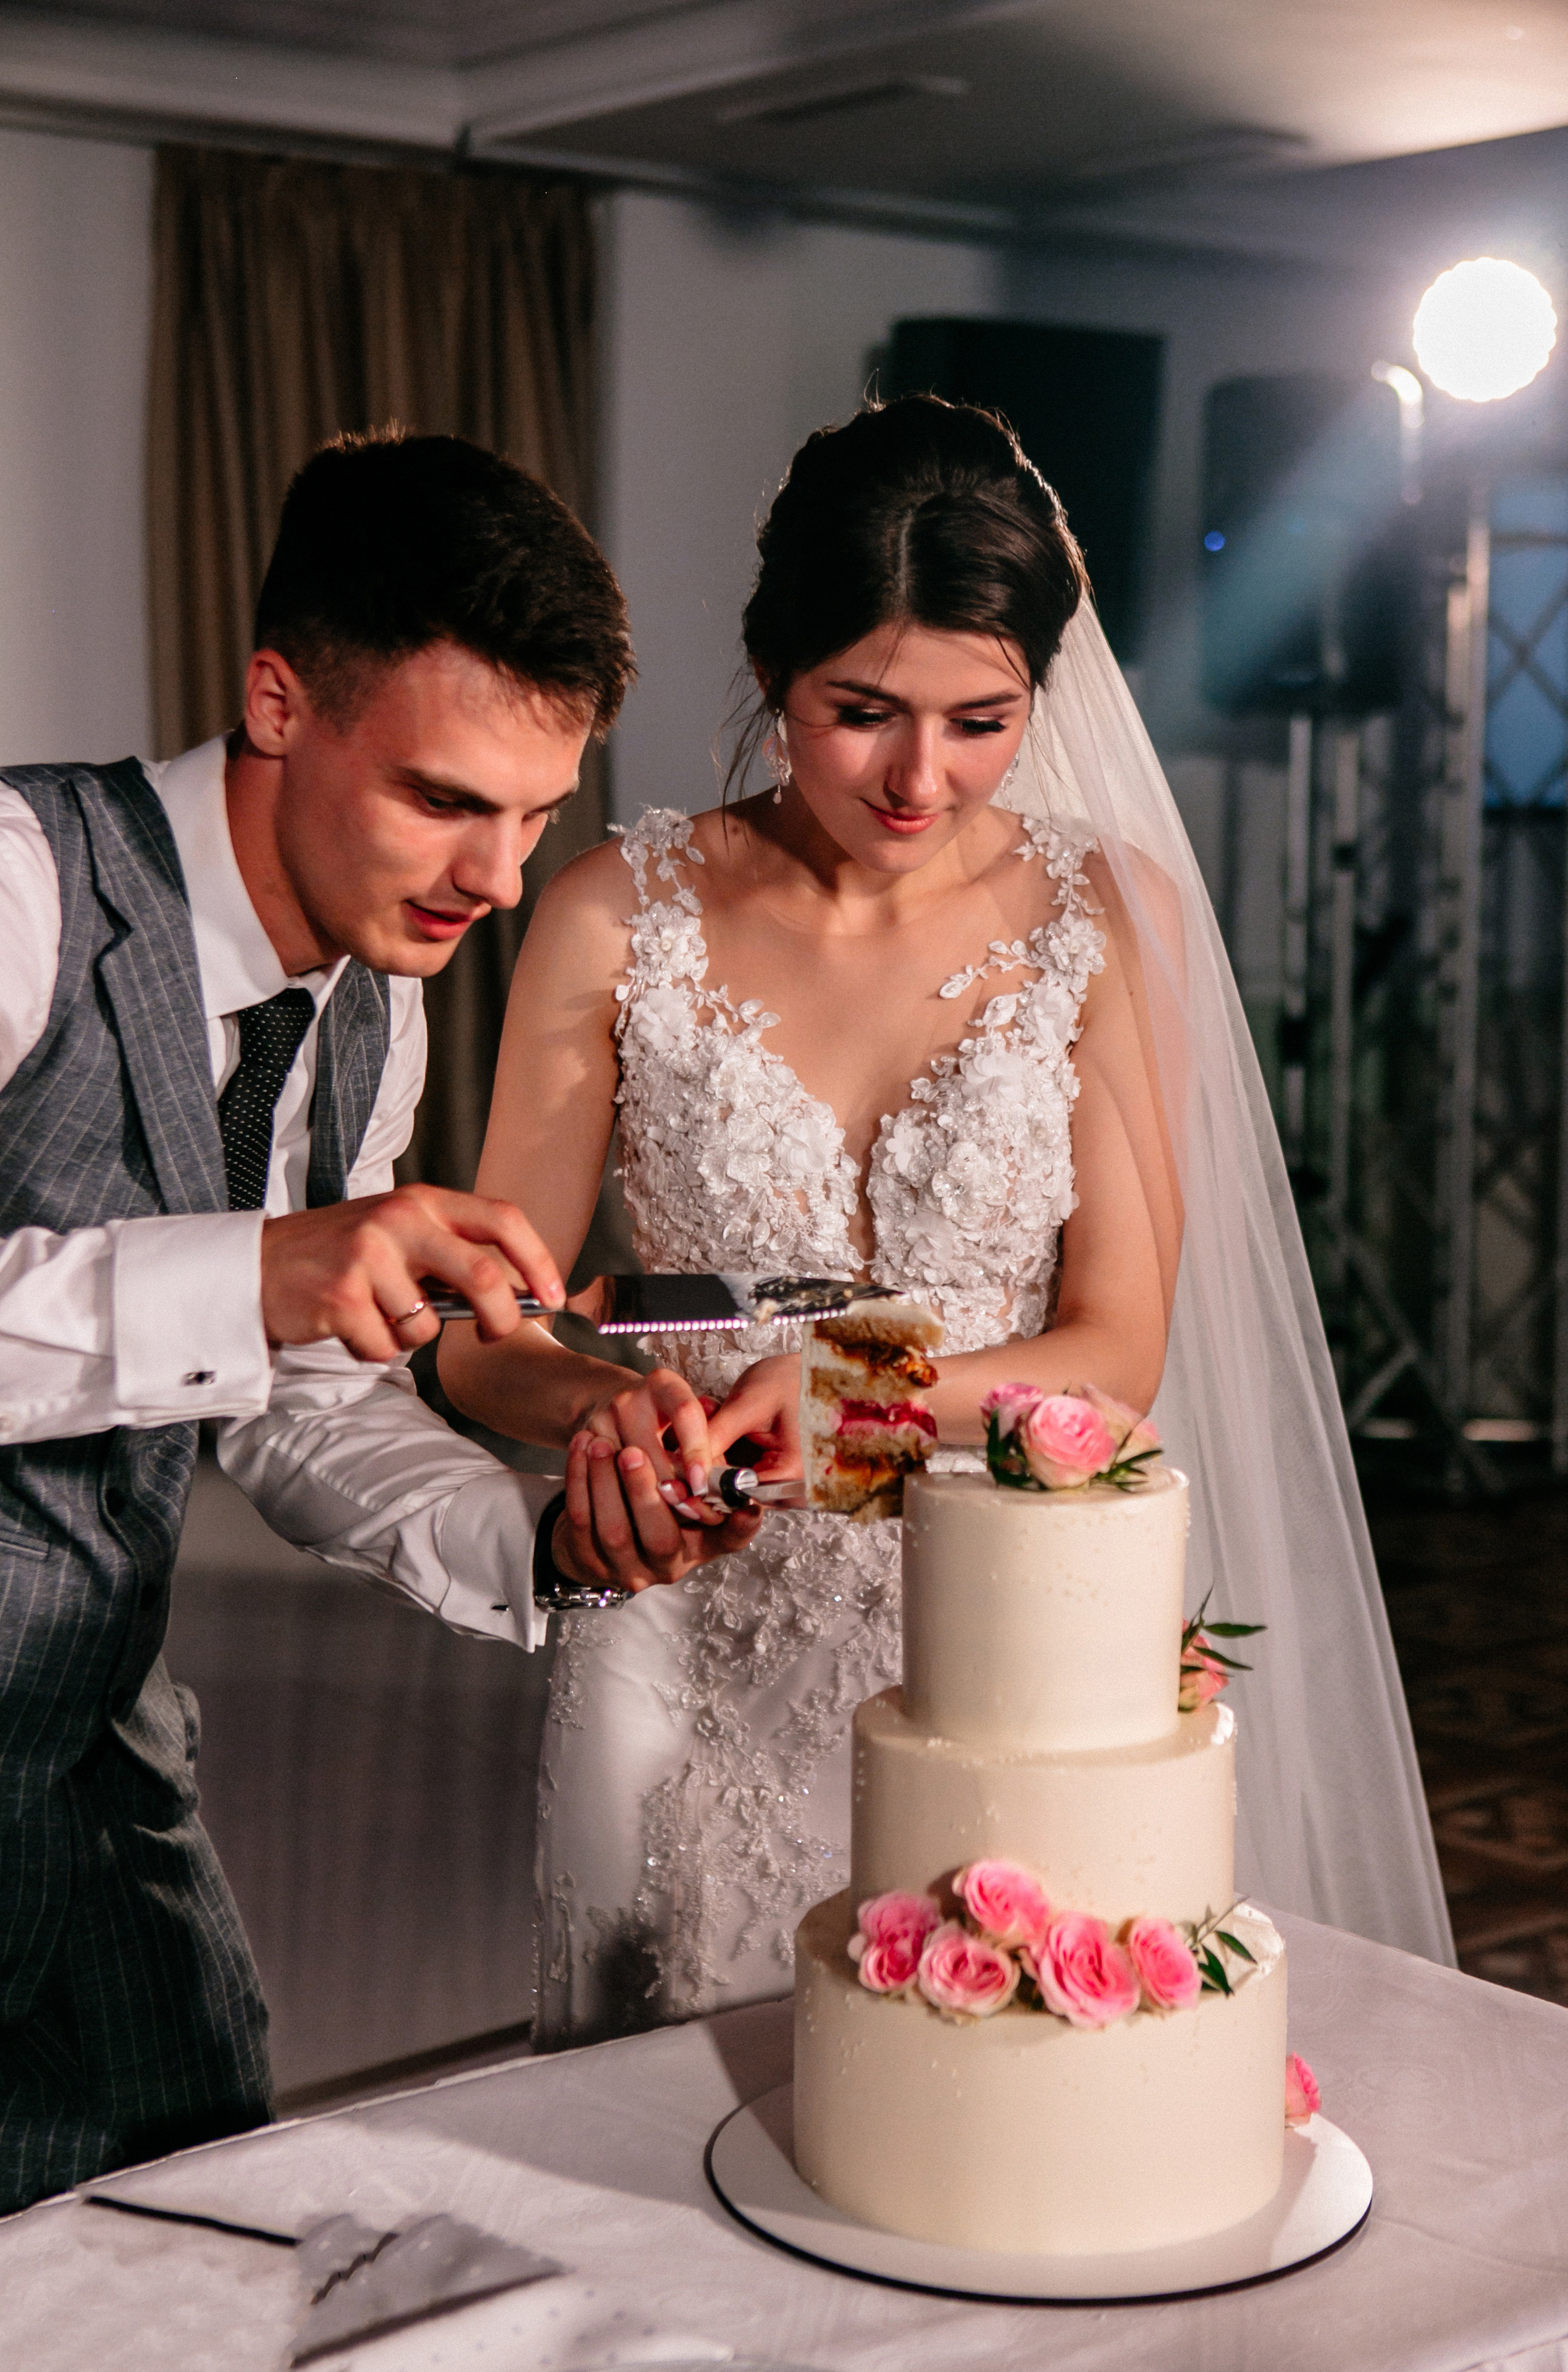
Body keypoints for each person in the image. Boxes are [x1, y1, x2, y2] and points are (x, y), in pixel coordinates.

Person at [441, 397, 1454, 2050]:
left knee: (966, 2103)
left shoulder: (1100, 915)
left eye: (983, 721)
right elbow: (496, 1334)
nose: (922, 777)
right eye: (862, 714)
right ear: (772, 668)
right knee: (647, 2082)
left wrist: (846, 1397)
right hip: (689, 1609)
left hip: (993, 1616)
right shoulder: (614, 914)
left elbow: (1115, 1348)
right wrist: (610, 1411)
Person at [0, 427, 753, 2218]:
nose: (499, 880)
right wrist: (256, 1268)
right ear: (278, 701)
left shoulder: (368, 1008)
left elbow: (306, 1405)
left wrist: (549, 1532)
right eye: (444, 799)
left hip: (95, 1764)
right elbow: (258, 1306)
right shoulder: (13, 884)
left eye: (536, 816)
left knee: (199, 2226)